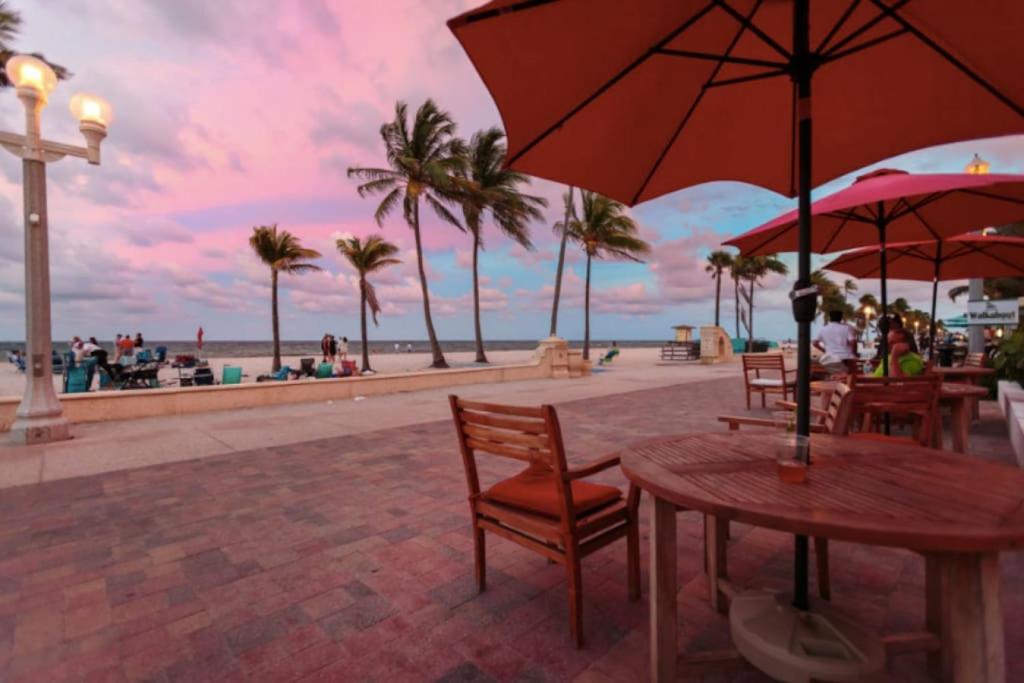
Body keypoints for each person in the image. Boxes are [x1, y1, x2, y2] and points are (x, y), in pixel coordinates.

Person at [813, 310, 858, 375]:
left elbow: (815, 343)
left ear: (830, 318)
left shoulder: (823, 329)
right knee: (847, 378)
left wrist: (825, 350)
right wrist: (854, 353)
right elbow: (853, 341)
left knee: (834, 378)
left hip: (830, 358)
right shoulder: (846, 328)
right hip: (846, 358)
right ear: (841, 318)